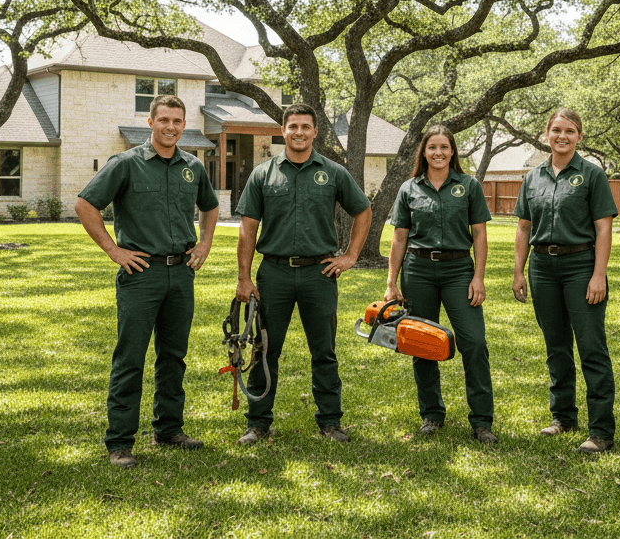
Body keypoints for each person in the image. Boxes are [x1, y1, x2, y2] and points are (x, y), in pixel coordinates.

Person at [74, 94, 220, 469]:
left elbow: (210, 206)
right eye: (164, 120)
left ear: (184, 125)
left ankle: (169, 430)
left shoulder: (193, 167)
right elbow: (85, 205)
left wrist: (204, 243)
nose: (171, 127)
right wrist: (113, 250)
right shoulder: (126, 164)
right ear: (151, 122)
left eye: (177, 121)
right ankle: (120, 442)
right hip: (141, 274)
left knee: (173, 356)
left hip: (181, 274)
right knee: (131, 358)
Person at [234, 102, 373, 445]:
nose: (299, 132)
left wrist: (351, 255)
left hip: (318, 274)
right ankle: (258, 423)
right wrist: (244, 278)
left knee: (324, 350)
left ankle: (330, 421)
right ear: (283, 131)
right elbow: (247, 229)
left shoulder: (333, 172)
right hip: (274, 274)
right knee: (264, 348)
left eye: (305, 127)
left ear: (315, 132)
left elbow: (363, 210)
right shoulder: (263, 174)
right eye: (293, 126)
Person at [512, 108, 619, 454]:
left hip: (580, 266)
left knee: (591, 348)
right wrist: (518, 271)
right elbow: (523, 227)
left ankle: (601, 430)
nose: (563, 136)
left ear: (579, 137)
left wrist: (598, 275)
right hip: (542, 268)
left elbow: (604, 228)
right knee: (556, 346)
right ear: (547, 133)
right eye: (557, 130)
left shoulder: (592, 175)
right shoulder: (533, 177)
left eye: (570, 131)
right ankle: (564, 417)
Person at [384, 124, 496, 444]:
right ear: (423, 152)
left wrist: (478, 277)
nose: (438, 152)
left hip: (459, 270)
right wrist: (391, 282)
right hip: (417, 270)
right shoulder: (409, 189)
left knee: (473, 342)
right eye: (432, 147)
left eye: (444, 147)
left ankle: (482, 421)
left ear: (452, 151)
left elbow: (479, 234)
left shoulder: (469, 186)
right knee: (422, 343)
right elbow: (400, 237)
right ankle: (431, 414)